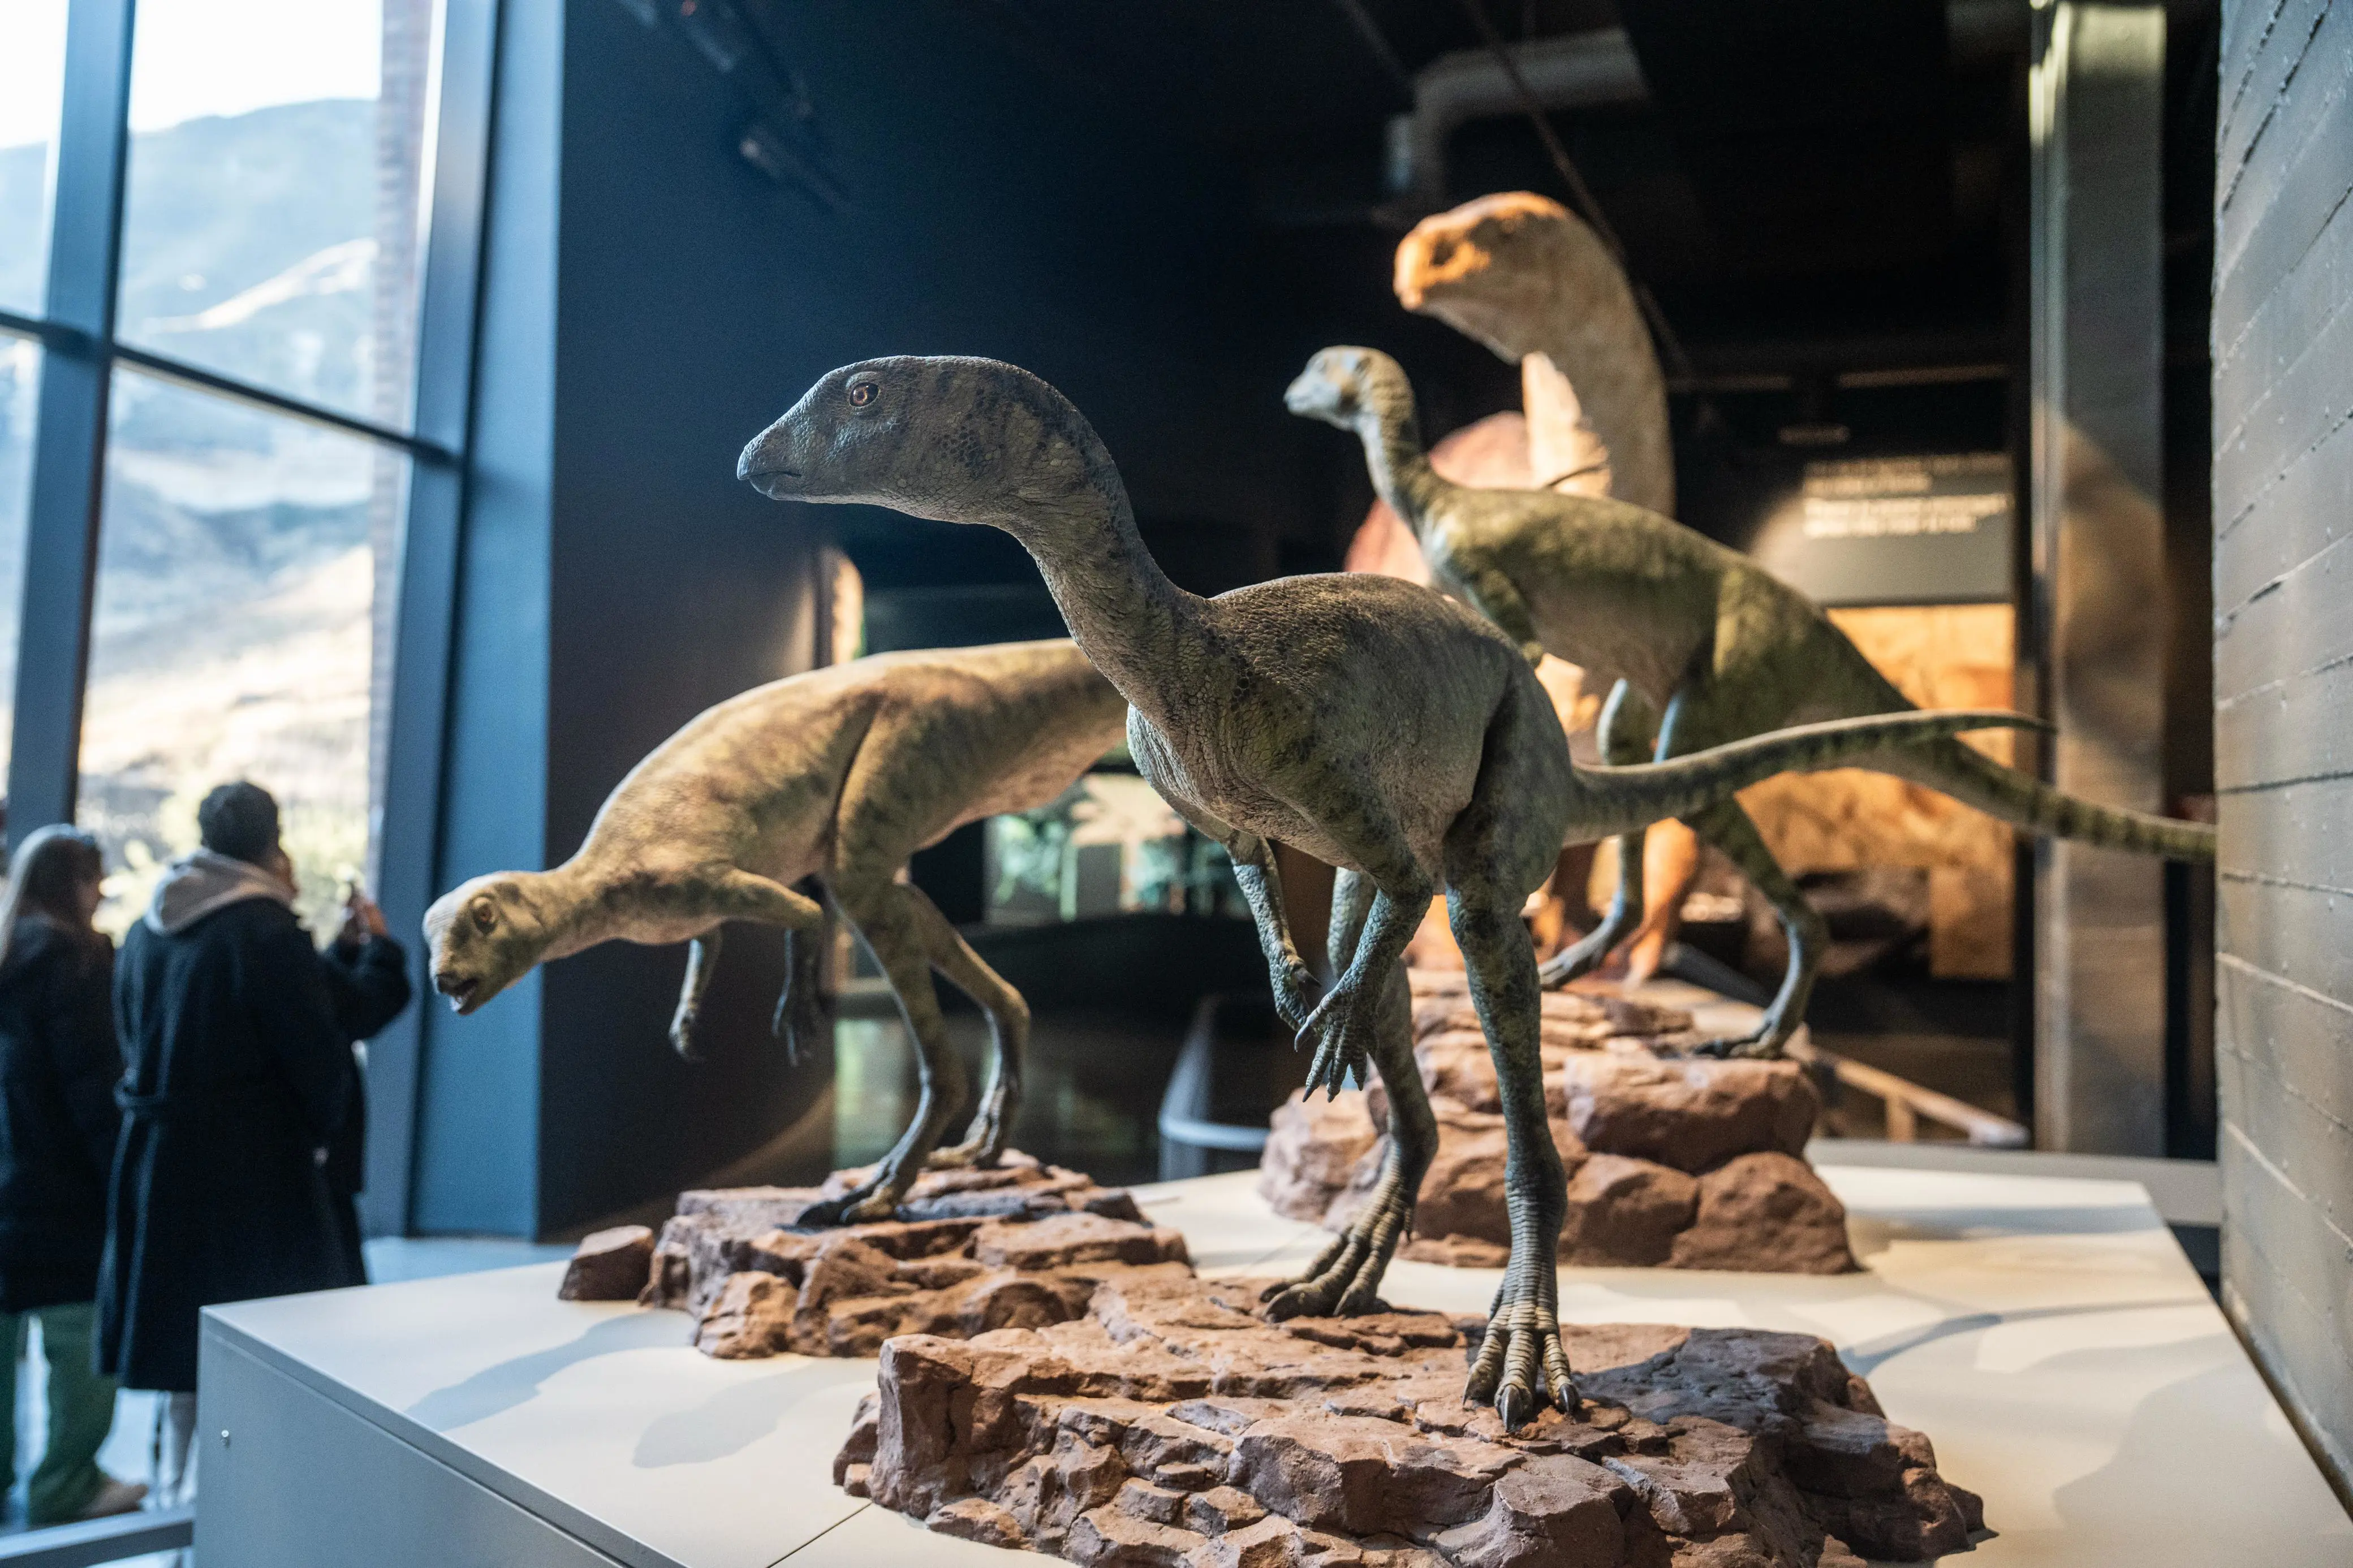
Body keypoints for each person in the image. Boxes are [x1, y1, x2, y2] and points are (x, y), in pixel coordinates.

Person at [97, 783, 411, 1504]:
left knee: (188, 1369)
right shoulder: (265, 931)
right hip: (252, 1185)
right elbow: (316, 1052)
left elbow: (134, 1036)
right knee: (274, 1352)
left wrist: (345, 956)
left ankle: (181, 1519)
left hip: (160, 1172)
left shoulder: (153, 924)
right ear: (275, 841)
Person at [0, 826, 145, 1523]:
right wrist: (126, 1176)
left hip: (6, 1178)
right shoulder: (76, 961)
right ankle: (66, 1484)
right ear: (77, 885)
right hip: (61, 1188)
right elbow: (93, 1085)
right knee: (81, 1338)